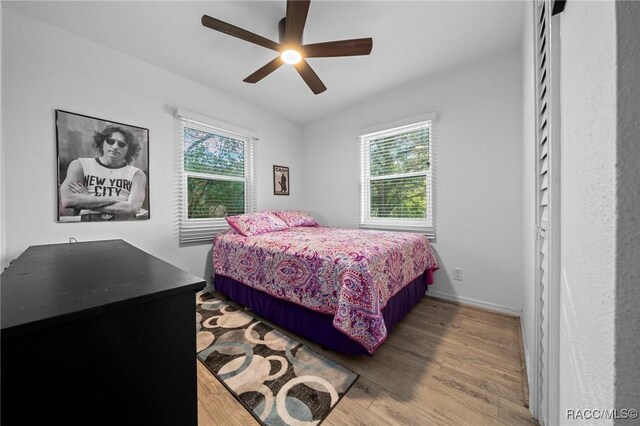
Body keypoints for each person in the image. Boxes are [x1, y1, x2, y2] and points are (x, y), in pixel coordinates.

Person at [60, 125, 147, 221]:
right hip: (88, 223)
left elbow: (132, 208)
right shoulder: (80, 165)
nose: (115, 147)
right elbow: (67, 200)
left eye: (121, 144)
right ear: (102, 143)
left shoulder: (137, 174)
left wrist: (88, 200)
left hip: (123, 223)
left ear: (129, 149)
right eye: (110, 141)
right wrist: (115, 199)